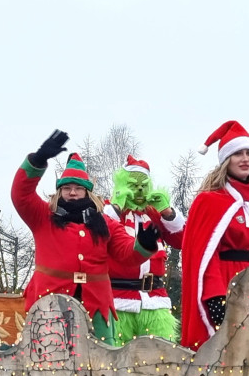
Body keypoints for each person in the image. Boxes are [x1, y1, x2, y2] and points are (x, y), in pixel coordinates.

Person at [11, 130, 159, 345]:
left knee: (99, 365)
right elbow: (20, 194)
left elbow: (126, 253)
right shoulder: (43, 217)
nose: (73, 193)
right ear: (59, 192)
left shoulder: (105, 223)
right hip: (49, 301)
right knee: (46, 361)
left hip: (96, 305)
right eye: (67, 188)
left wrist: (143, 245)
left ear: (87, 193)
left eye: (79, 188)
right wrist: (38, 160)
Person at [180, 120, 249, 351]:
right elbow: (203, 255)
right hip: (226, 284)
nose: (245, 159)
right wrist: (215, 295)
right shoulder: (209, 200)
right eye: (237, 154)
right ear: (226, 160)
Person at [103, 155, 184, 345]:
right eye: (133, 185)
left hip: (155, 300)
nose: (139, 190)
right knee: (116, 362)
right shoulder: (111, 213)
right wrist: (116, 207)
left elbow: (182, 240)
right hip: (119, 301)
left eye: (143, 185)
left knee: (161, 359)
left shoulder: (154, 215)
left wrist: (168, 213)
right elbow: (98, 235)